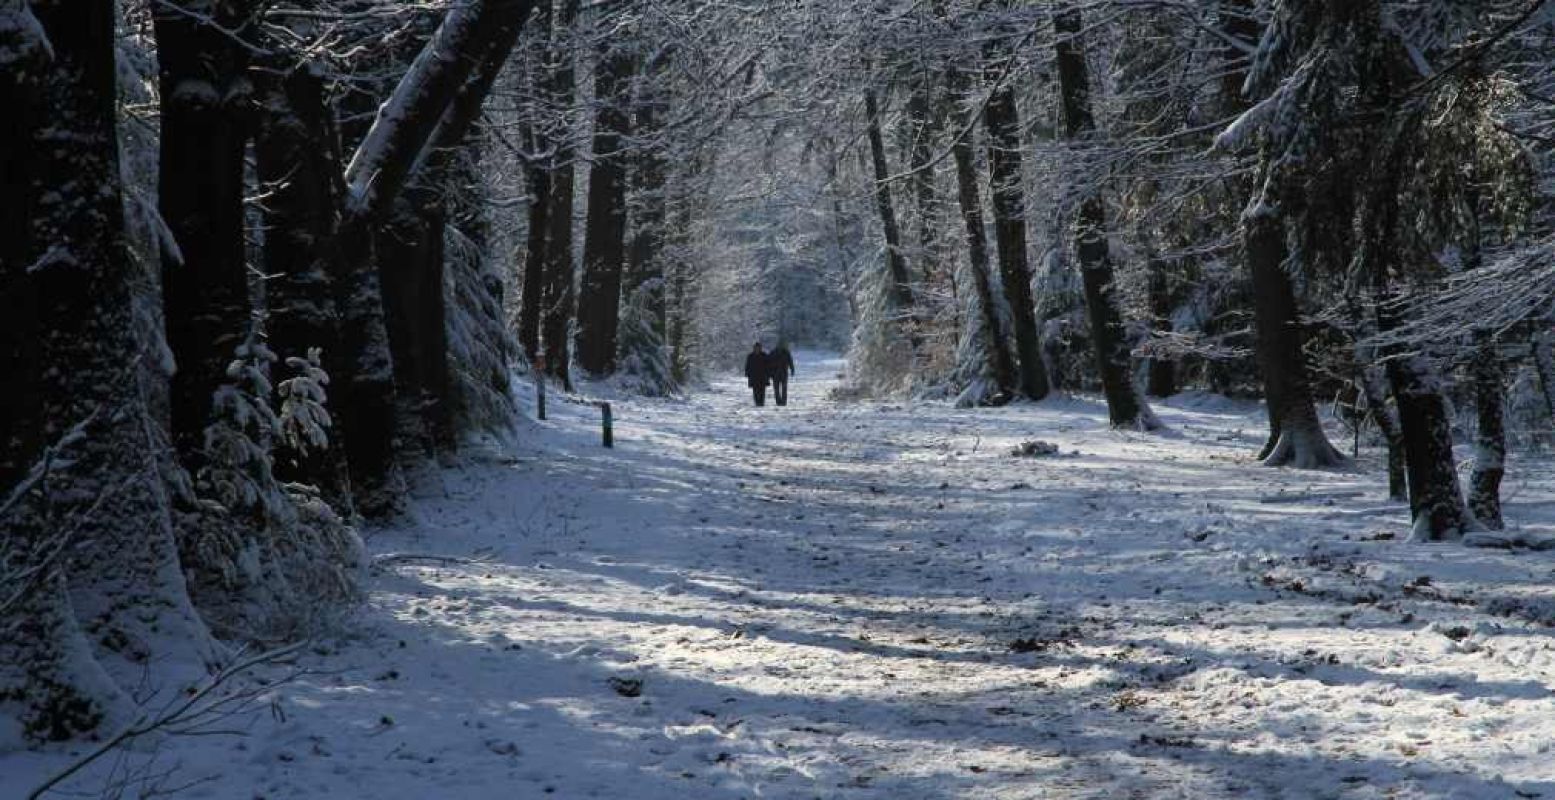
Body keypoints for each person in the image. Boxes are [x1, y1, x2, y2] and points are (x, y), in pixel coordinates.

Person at [767, 341, 796, 406]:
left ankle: (783, 402)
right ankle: (778, 401)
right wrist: (768, 373)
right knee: (776, 389)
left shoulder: (786, 352)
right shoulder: (773, 352)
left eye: (781, 345)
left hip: (784, 373)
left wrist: (792, 370)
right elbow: (768, 363)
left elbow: (790, 361)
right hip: (775, 374)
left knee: (784, 388)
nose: (780, 346)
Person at [744, 342, 770, 406]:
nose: (757, 349)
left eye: (758, 348)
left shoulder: (764, 355)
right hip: (754, 376)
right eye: (756, 348)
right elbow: (747, 365)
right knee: (755, 391)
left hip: (762, 376)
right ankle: (757, 402)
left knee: (762, 391)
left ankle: (761, 402)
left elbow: (768, 365)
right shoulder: (750, 356)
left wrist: (769, 373)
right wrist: (747, 373)